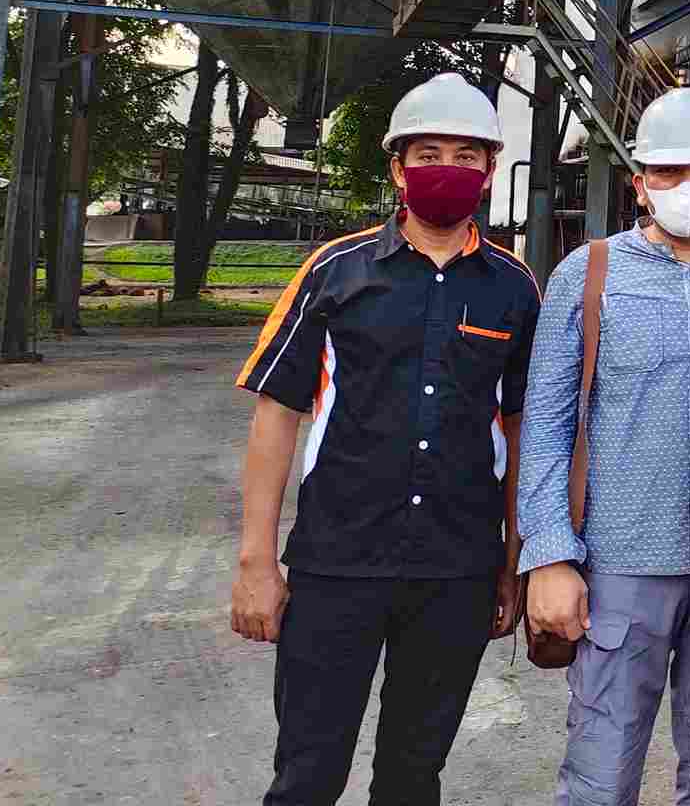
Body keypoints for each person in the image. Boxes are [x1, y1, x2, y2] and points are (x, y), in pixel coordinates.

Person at [229, 72, 539, 806]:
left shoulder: (514, 287)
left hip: (456, 570)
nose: (447, 169)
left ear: (490, 169)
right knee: (307, 774)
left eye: (466, 156)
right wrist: (256, 561)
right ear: (398, 168)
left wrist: (513, 561)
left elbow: (522, 429)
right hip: (337, 563)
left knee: (413, 774)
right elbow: (277, 413)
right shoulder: (334, 273)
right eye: (428, 154)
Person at [520, 88, 690, 805]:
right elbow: (547, 425)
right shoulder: (587, 275)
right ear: (639, 183)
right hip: (618, 566)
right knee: (599, 774)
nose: (688, 187)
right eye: (669, 172)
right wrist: (549, 556)